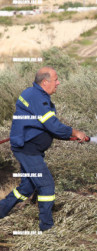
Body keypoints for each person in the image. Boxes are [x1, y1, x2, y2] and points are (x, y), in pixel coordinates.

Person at [0, 67, 87, 231]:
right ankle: (47, 228)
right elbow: (52, 125)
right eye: (56, 79)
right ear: (45, 82)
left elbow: (46, 128)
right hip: (28, 149)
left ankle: (1, 211)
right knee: (46, 186)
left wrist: (69, 136)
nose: (58, 82)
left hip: (26, 146)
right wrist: (74, 132)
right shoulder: (37, 98)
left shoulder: (32, 94)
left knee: (26, 188)